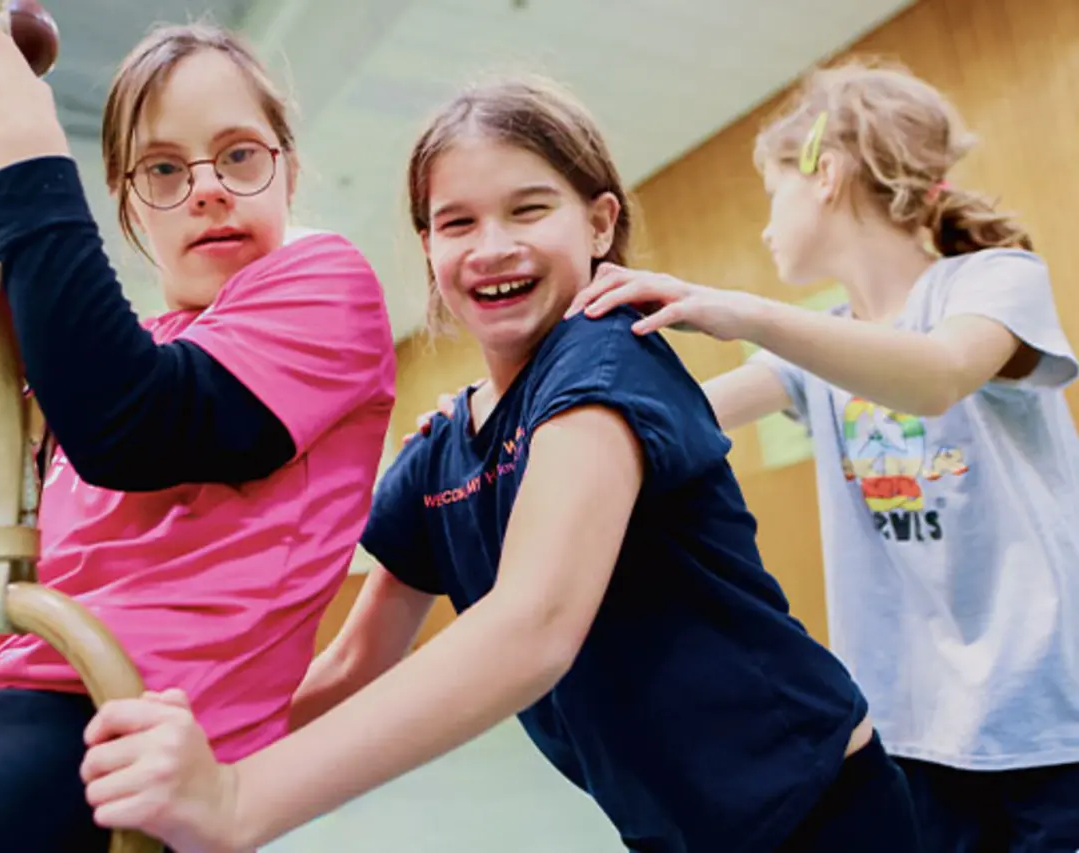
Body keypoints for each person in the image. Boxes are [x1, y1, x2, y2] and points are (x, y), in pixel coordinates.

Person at [76, 75, 922, 853]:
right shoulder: (441, 451)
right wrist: (188, 760)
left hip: (821, 808)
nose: (493, 246)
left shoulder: (609, 355)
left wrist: (238, 800)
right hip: (674, 830)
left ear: (599, 223)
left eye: (529, 210)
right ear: (428, 247)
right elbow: (353, 664)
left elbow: (532, 627)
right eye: (457, 223)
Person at [0, 17, 394, 853]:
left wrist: (24, 150)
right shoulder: (130, 351)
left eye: (240, 155)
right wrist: (3, 265)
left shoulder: (323, 285)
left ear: (289, 169)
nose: (207, 189)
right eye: (164, 169)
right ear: (129, 204)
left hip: (123, 730)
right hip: (20, 718)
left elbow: (131, 429)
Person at [554, 59, 1079, 852]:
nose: (766, 226)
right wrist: (499, 418)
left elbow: (937, 375)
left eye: (773, 193)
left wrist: (747, 313)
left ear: (825, 174)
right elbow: (668, 421)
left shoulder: (993, 281)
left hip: (1048, 723)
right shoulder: (819, 347)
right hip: (918, 735)